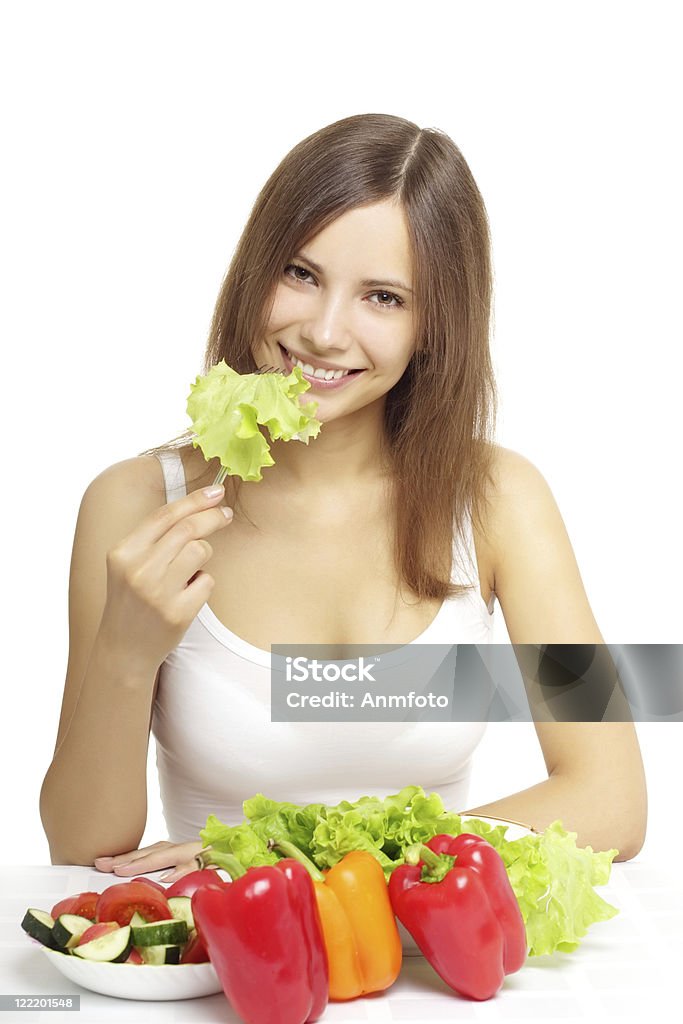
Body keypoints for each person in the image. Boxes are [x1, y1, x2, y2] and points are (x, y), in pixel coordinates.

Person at [39, 113, 647, 880]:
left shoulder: (500, 499)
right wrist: (125, 658)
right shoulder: (133, 503)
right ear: (254, 269)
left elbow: (612, 798)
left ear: (435, 325)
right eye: (300, 273)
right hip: (226, 977)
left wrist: (301, 848)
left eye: (384, 297)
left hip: (429, 978)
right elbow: (80, 848)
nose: (325, 332)